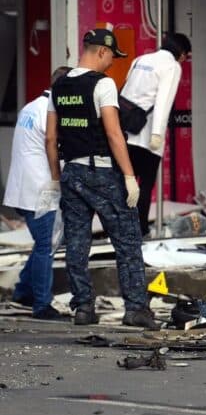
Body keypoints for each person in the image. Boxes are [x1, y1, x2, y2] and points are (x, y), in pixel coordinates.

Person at [45, 28, 157, 329]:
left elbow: (50, 137)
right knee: (128, 240)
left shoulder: (58, 87)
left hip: (71, 174)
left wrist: (56, 179)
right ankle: (135, 309)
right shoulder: (103, 84)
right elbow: (114, 134)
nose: (111, 64)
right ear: (101, 52)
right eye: (111, 57)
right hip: (102, 173)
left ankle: (83, 308)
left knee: (77, 243)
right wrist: (130, 177)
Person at [3, 67, 72, 320]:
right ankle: (42, 304)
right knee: (46, 245)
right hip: (40, 188)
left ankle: (22, 290)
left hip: (22, 188)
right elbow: (52, 147)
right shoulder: (51, 112)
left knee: (44, 242)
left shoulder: (30, 107)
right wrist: (59, 178)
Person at [120, 32, 191, 236]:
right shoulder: (172, 66)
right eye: (185, 56)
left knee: (125, 182)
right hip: (147, 134)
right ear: (181, 53)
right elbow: (164, 101)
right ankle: (139, 229)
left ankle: (120, 228)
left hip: (126, 131)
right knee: (145, 184)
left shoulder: (139, 60)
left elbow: (125, 92)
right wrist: (158, 134)